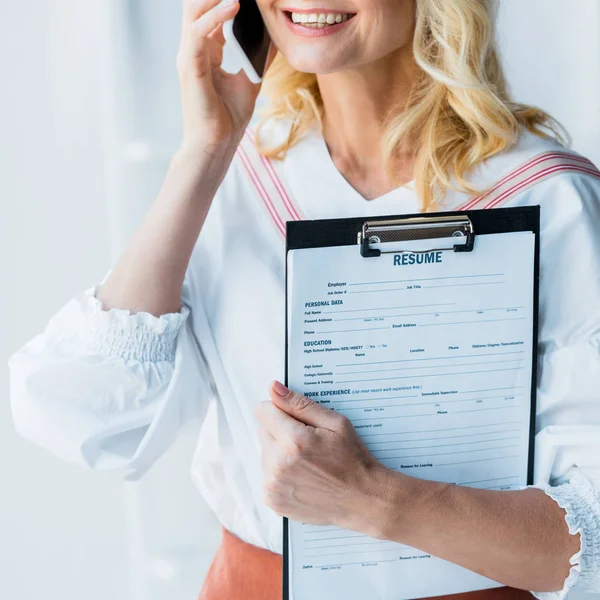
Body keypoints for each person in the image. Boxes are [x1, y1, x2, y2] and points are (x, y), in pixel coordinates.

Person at [8, 0, 600, 599]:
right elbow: (85, 420)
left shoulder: (551, 201)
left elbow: (593, 542)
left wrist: (374, 499)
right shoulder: (238, 175)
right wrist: (203, 154)